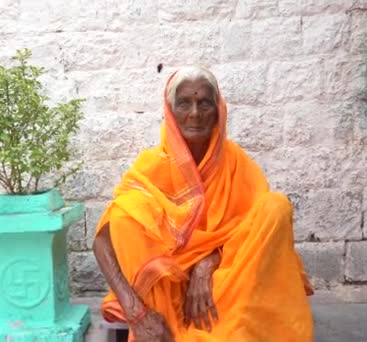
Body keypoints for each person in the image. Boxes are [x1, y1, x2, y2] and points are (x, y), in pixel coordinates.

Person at [92, 65, 314, 342]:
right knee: (126, 217)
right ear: (171, 113)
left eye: (204, 103)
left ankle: (233, 328)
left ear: (218, 111)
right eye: (184, 103)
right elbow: (102, 242)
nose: (195, 113)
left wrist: (207, 264)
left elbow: (253, 234)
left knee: (276, 206)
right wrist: (136, 313)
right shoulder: (151, 166)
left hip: (226, 282)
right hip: (168, 290)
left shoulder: (237, 165)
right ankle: (165, 334)